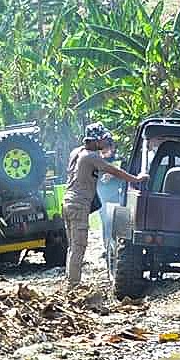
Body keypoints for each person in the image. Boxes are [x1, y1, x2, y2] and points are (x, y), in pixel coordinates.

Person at [64, 123, 147, 288]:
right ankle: (73, 286)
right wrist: (136, 179)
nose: (105, 143)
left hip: (68, 202)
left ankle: (69, 280)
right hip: (79, 204)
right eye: (103, 140)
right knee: (79, 246)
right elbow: (114, 171)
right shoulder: (91, 156)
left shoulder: (77, 152)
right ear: (96, 141)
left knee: (72, 246)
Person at [96, 133, 124, 255]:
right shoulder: (97, 160)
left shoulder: (120, 160)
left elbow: (125, 176)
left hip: (117, 196)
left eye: (109, 146)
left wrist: (114, 175)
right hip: (102, 196)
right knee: (105, 223)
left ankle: (117, 246)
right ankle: (107, 247)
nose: (106, 149)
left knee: (118, 224)